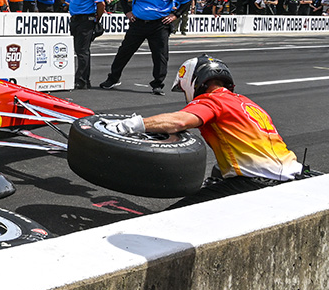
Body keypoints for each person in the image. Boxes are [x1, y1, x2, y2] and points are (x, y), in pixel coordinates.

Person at [106, 55, 307, 209]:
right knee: (218, 172)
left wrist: (128, 125)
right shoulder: (245, 102)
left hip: (257, 183)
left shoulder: (211, 100)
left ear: (194, 81)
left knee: (170, 219)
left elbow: (179, 121)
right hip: (294, 176)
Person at [99, 0, 192, 95]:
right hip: (138, 24)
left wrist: (175, 15)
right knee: (124, 51)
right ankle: (112, 78)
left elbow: (187, 0)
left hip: (159, 25)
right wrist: (128, 12)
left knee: (160, 55)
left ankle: (158, 84)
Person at [65, 0, 105, 90]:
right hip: (75, 19)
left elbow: (101, 4)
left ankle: (82, 80)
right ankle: (82, 79)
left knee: (82, 51)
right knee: (79, 50)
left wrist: (96, 19)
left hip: (85, 20)